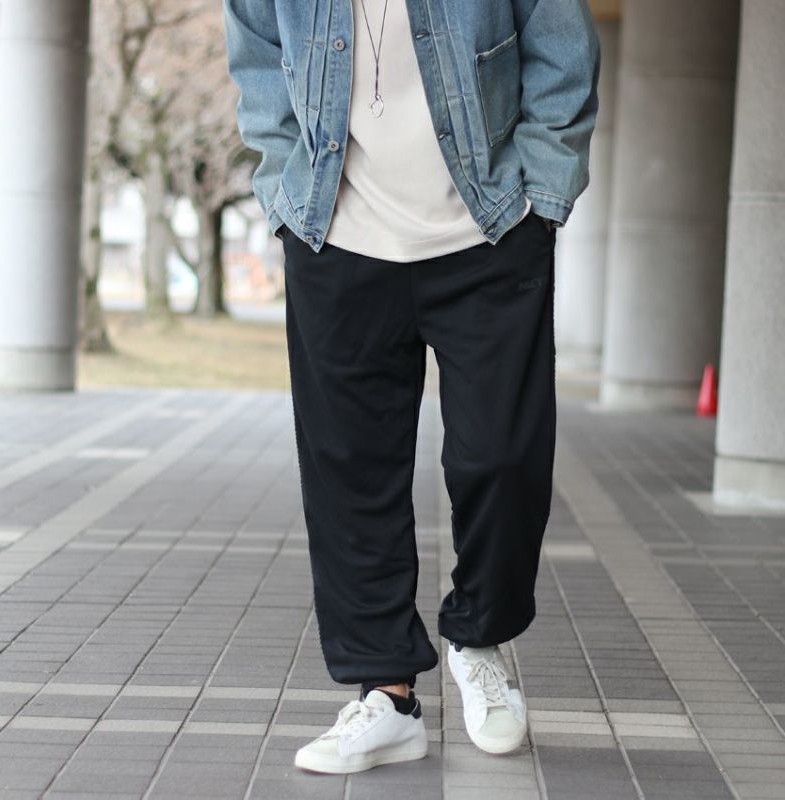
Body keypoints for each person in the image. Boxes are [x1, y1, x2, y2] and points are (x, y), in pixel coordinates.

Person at [224, 0, 599, 774]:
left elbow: (563, 56)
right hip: (338, 236)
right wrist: (284, 198)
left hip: (491, 231)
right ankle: (386, 695)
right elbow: (257, 60)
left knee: (503, 457)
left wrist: (542, 200)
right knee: (350, 473)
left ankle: (479, 639)